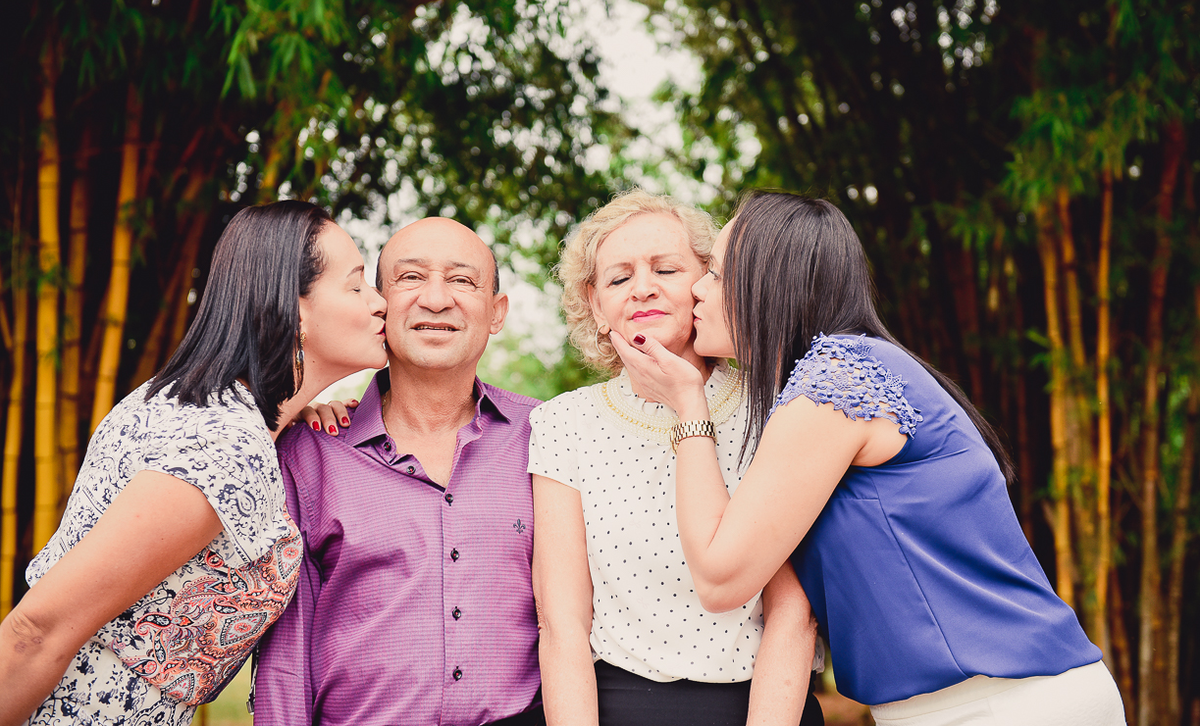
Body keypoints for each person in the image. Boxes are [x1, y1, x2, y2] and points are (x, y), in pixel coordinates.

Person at [612, 191, 1126, 726]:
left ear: (769, 282)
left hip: (1003, 703)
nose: (698, 287)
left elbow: (721, 578)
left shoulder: (835, 382)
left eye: (717, 272)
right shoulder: (847, 371)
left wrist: (689, 405)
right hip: (974, 702)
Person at [0, 200, 388, 726]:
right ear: (294, 309)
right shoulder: (224, 445)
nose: (380, 302)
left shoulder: (199, 406)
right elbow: (35, 632)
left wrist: (290, 422)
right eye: (357, 285)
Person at [529, 189, 823, 726]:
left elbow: (792, 611)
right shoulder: (562, 423)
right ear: (595, 305)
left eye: (665, 270)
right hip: (617, 707)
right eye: (618, 278)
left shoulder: (777, 406)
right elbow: (562, 623)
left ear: (708, 283)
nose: (643, 288)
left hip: (763, 704)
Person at [253, 217, 545, 726]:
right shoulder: (310, 454)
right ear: (378, 304)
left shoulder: (549, 439)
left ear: (496, 312)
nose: (436, 299)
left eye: (462, 280)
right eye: (411, 277)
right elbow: (285, 660)